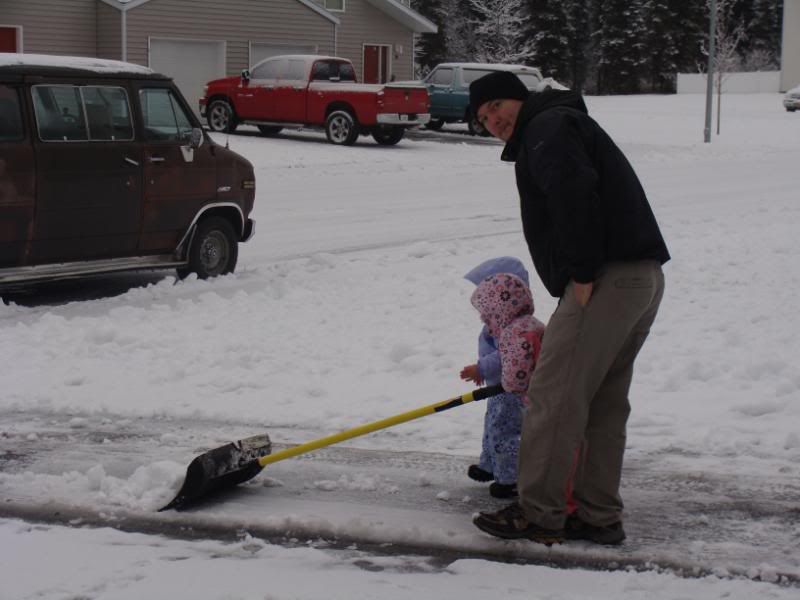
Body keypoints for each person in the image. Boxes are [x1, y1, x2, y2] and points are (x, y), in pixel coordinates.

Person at [467, 70, 670, 546]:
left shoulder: (547, 127)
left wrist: (581, 269)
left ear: (519, 98)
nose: (493, 120)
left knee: (553, 395)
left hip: (603, 278)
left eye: (496, 106)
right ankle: (598, 514)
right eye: (483, 118)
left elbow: (572, 193)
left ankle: (539, 511)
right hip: (640, 277)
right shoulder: (560, 123)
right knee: (603, 402)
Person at [460, 257, 537, 498]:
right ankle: (490, 465)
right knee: (492, 428)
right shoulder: (508, 322)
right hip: (499, 389)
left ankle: (510, 478)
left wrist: (481, 368)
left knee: (504, 433)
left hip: (509, 393)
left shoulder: (515, 329)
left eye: (487, 310)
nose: (483, 316)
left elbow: (505, 356)